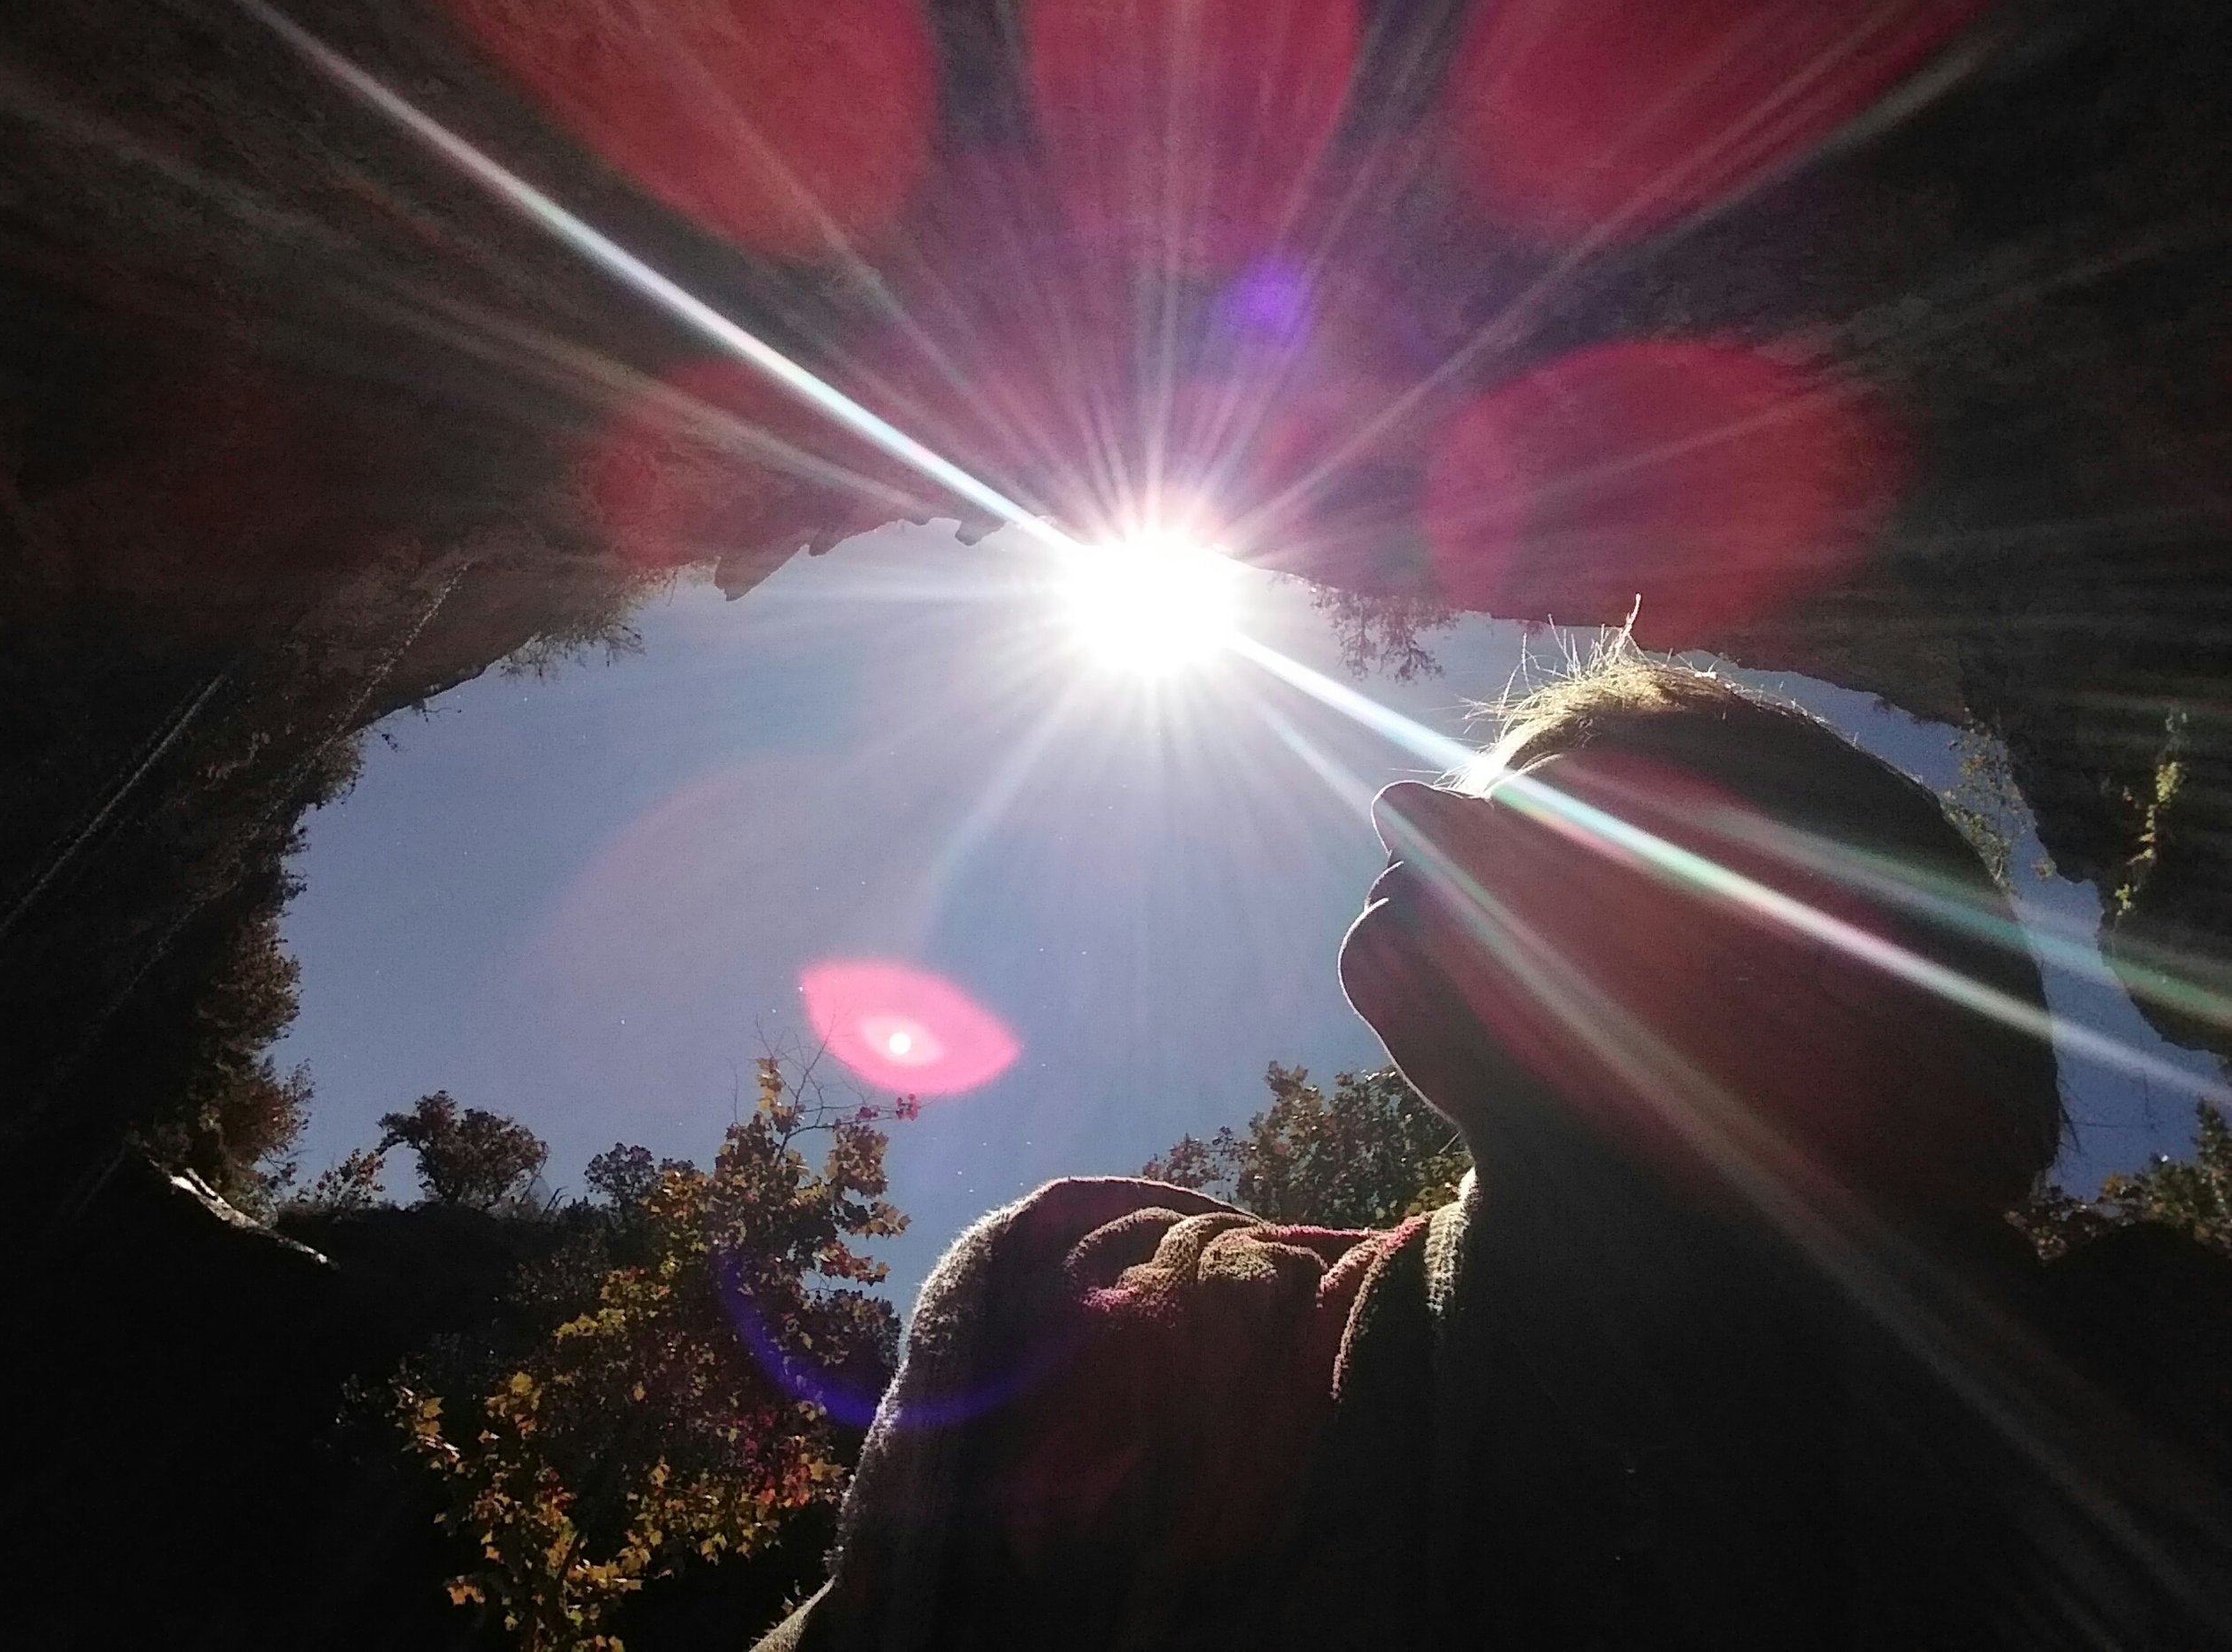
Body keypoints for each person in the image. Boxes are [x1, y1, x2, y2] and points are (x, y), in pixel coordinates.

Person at [755, 649, 2232, 1651]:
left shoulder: (2147, 1386)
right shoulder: (1129, 1333)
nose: (1404, 812)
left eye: (1569, 820)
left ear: (1838, 968)